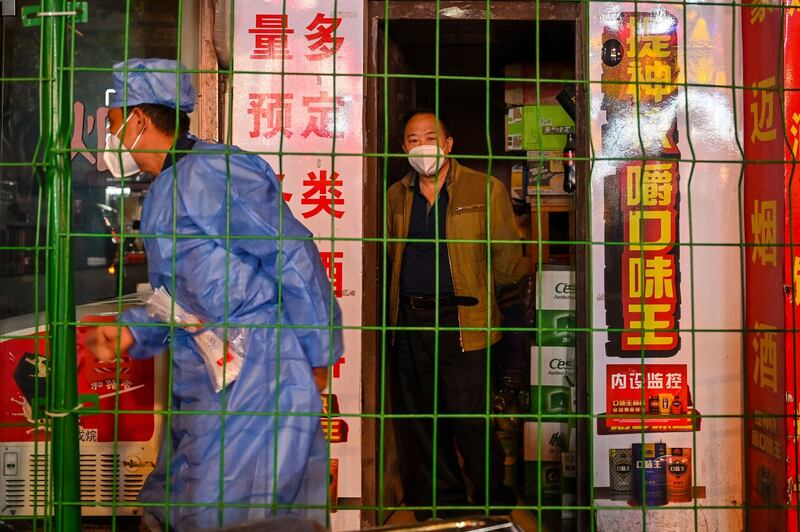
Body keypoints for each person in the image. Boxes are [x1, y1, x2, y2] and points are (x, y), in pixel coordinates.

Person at [85, 58, 343, 531]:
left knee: (225, 514)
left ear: (141, 119)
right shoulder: (165, 187)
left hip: (257, 373)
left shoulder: (215, 172)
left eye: (116, 123)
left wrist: (318, 350)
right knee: (185, 504)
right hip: (206, 373)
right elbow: (179, 298)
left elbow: (291, 252)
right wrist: (131, 332)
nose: (112, 137)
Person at [386, 111, 528, 519]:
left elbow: (506, 261)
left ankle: (489, 500)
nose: (422, 146)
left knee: (469, 418)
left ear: (449, 144)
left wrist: (489, 301)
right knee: (424, 419)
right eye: (413, 139)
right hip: (411, 321)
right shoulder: (397, 194)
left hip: (464, 321)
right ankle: (443, 505)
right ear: (404, 148)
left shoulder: (485, 188)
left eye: (431, 137)